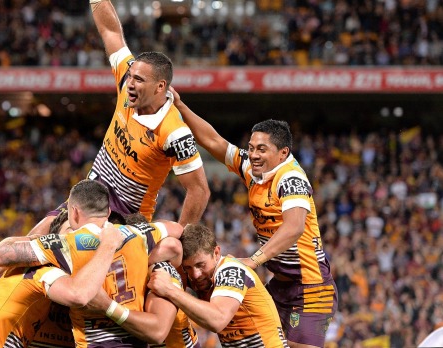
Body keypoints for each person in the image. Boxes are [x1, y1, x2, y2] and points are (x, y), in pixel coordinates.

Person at [28, 0, 210, 236]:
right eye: (131, 76)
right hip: (92, 195)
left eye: (139, 80)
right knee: (33, 237)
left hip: (127, 216)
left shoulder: (175, 132)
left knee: (68, 242)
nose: (130, 84)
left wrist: (183, 240)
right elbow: (110, 31)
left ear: (160, 87)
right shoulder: (127, 81)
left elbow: (199, 190)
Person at [172, 90, 337, 348]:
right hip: (280, 284)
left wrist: (254, 259)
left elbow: (294, 228)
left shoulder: (291, 179)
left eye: (262, 149)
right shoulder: (252, 168)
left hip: (311, 287)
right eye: (251, 148)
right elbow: (214, 141)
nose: (254, 154)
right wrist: (181, 107)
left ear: (283, 153)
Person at [0, 179, 183, 347]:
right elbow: (175, 229)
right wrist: (142, 258)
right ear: (107, 211)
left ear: (74, 212)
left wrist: (32, 238)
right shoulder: (138, 234)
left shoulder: (66, 243)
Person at [0, 211, 124, 348]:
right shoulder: (41, 269)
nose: (77, 238)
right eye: (70, 231)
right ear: (53, 238)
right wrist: (28, 245)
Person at [148, 224, 289, 348]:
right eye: (188, 268)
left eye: (200, 265)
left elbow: (218, 320)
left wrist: (170, 290)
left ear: (216, 253)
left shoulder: (231, 270)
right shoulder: (200, 278)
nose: (195, 274)